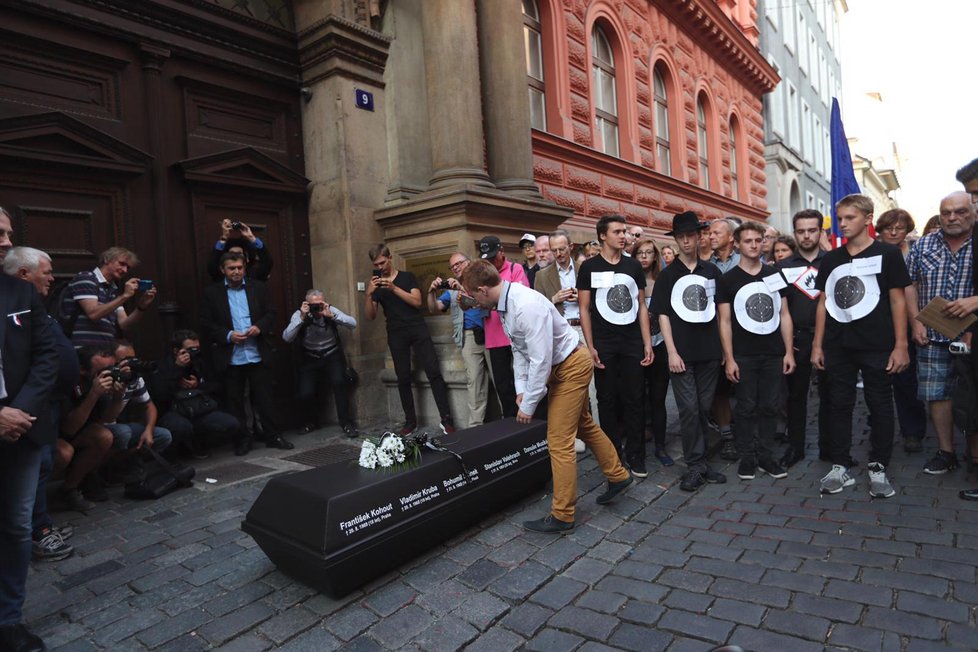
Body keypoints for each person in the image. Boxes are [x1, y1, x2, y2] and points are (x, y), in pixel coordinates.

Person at [459, 260, 633, 533]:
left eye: (472, 295)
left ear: (482, 290)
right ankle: (618, 475)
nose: (472, 301)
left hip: (571, 366)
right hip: (560, 366)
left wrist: (528, 403)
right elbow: (519, 351)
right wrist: (520, 390)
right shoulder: (505, 303)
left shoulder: (524, 305)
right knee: (584, 426)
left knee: (559, 441)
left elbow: (540, 360)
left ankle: (563, 514)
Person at [812, 194, 910, 498]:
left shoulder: (887, 255)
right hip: (838, 344)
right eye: (840, 218)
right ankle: (840, 465)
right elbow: (823, 302)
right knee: (838, 403)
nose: (843, 224)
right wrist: (817, 345)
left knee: (879, 403)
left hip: (878, 344)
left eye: (849, 218)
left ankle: (879, 466)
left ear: (868, 219)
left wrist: (901, 345)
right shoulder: (830, 259)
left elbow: (897, 300)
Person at [0, 205, 60, 652]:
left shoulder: (21, 296)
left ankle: (8, 619)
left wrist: (18, 411)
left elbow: (46, 357)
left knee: (18, 528)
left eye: (7, 234)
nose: (5, 242)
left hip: (21, 430)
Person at [3, 247, 79, 561]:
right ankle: (37, 531)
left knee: (42, 468)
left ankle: (39, 526)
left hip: (41, 404)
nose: (52, 277)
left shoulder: (37, 305)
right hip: (18, 412)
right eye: (46, 272)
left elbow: (48, 355)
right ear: (24, 274)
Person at [652, 211, 727, 491]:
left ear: (699, 237)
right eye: (680, 237)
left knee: (704, 408)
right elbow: (662, 316)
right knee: (689, 409)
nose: (685, 241)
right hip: (681, 354)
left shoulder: (712, 271)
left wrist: (724, 349)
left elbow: (722, 313)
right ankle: (695, 465)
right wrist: (671, 351)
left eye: (689, 236)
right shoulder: (668, 275)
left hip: (709, 351)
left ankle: (702, 462)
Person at [716, 221, 795, 481]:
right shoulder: (728, 279)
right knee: (746, 407)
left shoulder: (774, 275)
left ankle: (767, 457)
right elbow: (724, 321)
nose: (753, 245)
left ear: (763, 242)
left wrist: (788, 352)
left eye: (757, 240)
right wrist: (729, 358)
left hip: (773, 353)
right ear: (737, 244)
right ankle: (747, 457)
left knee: (770, 406)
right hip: (744, 354)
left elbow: (784, 314)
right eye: (747, 240)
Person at [578, 215, 653, 476]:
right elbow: (584, 309)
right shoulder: (589, 268)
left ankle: (637, 455)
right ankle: (612, 457)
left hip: (632, 341)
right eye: (618, 232)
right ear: (602, 236)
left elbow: (642, 305)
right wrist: (591, 345)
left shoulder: (633, 266)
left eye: (624, 231)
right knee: (607, 399)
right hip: (604, 343)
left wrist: (647, 342)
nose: (624, 236)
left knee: (635, 398)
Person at [905, 193, 975, 475]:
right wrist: (916, 323)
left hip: (972, 335)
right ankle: (946, 452)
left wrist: (975, 301)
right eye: (946, 212)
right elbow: (909, 284)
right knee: (936, 394)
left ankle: (974, 455)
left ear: (972, 211)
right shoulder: (923, 245)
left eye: (959, 211)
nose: (952, 217)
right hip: (932, 333)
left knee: (974, 396)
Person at [201, 252, 294, 453]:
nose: (236, 272)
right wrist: (227, 335)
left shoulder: (258, 288)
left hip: (258, 352)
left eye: (239, 268)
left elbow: (271, 313)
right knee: (235, 401)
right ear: (222, 270)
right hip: (231, 356)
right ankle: (243, 439)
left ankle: (273, 435)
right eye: (231, 268)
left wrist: (259, 326)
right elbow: (207, 324)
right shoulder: (212, 293)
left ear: (245, 268)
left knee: (265, 398)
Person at [364, 244, 455, 435]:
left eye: (382, 262)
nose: (380, 267)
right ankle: (410, 421)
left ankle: (446, 419)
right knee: (403, 377)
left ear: (390, 258)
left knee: (433, 372)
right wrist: (369, 294)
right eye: (376, 264)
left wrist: (394, 288)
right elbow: (370, 316)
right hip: (396, 332)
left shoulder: (407, 277)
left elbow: (417, 302)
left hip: (417, 327)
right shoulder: (376, 285)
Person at [777, 209, 833, 468]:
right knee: (795, 398)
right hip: (797, 338)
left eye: (812, 230)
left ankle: (830, 448)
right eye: (801, 231)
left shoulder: (833, 262)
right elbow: (781, 309)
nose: (806, 235)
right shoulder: (783, 267)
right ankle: (795, 448)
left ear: (820, 231)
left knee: (831, 396)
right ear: (795, 232)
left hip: (830, 339)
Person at [535, 229, 597, 446]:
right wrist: (554, 298)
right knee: (569, 385)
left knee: (592, 384)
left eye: (562, 249)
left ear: (570, 247)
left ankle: (594, 431)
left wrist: (580, 296)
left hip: (585, 327)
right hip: (561, 332)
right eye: (554, 250)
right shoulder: (542, 275)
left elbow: (598, 298)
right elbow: (537, 309)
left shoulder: (585, 268)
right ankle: (576, 434)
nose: (558, 253)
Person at [876, 208, 927, 453]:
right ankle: (878, 427)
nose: (894, 232)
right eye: (888, 227)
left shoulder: (915, 254)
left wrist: (916, 321)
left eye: (899, 227)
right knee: (878, 379)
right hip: (878, 323)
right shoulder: (872, 253)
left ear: (907, 229)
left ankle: (912, 431)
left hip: (907, 323)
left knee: (907, 381)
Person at [151, 330, 246, 458]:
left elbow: (217, 386)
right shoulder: (164, 366)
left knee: (230, 423)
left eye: (197, 349)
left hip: (199, 410)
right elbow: (160, 395)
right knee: (181, 427)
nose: (193, 353)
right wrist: (177, 369)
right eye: (190, 349)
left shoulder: (200, 362)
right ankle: (177, 453)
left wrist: (198, 386)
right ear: (176, 351)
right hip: (173, 411)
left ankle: (199, 443)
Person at [282, 290, 358, 437]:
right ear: (307, 304)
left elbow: (353, 323)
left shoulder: (329, 310)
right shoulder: (299, 314)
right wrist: (302, 318)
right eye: (314, 305)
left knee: (339, 384)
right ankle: (311, 421)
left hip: (332, 355)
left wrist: (332, 316)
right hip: (310, 357)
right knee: (306, 392)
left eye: (320, 304)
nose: (318, 308)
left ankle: (346, 423)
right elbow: (287, 338)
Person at [427, 253, 490, 429]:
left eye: (459, 263)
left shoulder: (481, 278)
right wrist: (431, 292)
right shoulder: (451, 291)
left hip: (491, 332)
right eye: (452, 266)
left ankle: (506, 421)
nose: (455, 267)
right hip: (469, 337)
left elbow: (483, 301)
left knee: (500, 379)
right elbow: (434, 308)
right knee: (474, 381)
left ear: (469, 262)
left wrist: (462, 287)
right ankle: (476, 427)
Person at [478, 236, 530, 419]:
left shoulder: (515, 269)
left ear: (502, 252)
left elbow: (518, 298)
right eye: (486, 259)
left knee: (523, 380)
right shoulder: (482, 274)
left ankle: (530, 418)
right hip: (494, 336)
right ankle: (511, 422)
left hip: (515, 334)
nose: (490, 262)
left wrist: (490, 300)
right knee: (502, 385)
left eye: (493, 257)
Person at [61, 247, 157, 347]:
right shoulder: (87, 277)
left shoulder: (113, 290)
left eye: (128, 267)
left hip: (104, 350)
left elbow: (124, 324)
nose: (125, 270)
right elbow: (93, 314)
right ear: (107, 259)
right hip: (82, 349)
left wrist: (141, 306)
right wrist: (124, 296)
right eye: (122, 264)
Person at [634, 237, 673, 466]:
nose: (645, 257)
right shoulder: (631, 281)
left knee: (658, 398)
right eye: (640, 253)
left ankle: (660, 445)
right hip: (636, 346)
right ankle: (637, 444)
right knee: (637, 397)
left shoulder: (662, 281)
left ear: (655, 256)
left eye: (649, 253)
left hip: (660, 344)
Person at [207, 219, 273, 282]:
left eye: (239, 253)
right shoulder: (221, 276)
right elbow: (212, 265)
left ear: (246, 257)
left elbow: (267, 262)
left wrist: (251, 237)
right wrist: (224, 238)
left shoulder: (254, 276)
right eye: (231, 253)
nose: (235, 256)